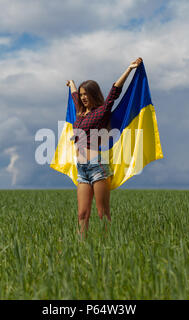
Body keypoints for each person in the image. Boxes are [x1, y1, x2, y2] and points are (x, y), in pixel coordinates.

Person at [66, 57, 143, 239]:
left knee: (102, 214)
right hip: (82, 169)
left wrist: (129, 69)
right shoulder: (79, 113)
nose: (84, 97)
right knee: (82, 214)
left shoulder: (101, 112)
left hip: (97, 167)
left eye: (87, 94)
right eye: (82, 95)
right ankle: (79, 247)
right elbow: (75, 96)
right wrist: (72, 85)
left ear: (94, 95)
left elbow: (114, 91)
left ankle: (106, 246)